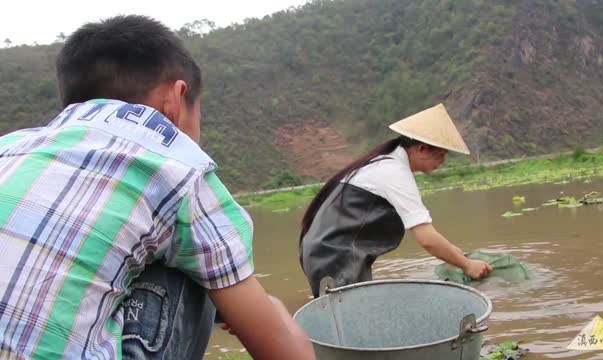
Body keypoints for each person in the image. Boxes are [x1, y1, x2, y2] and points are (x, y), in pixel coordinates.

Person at [0, 15, 314, 360]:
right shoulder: (176, 166)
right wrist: (271, 310)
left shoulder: (11, 146)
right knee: (194, 267)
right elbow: (285, 351)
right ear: (175, 99)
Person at [299, 104, 493, 297]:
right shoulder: (394, 172)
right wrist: (467, 265)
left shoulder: (385, 164)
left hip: (326, 253)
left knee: (355, 317)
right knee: (351, 319)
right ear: (422, 148)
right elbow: (427, 238)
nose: (442, 162)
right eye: (441, 155)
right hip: (334, 257)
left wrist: (452, 252)